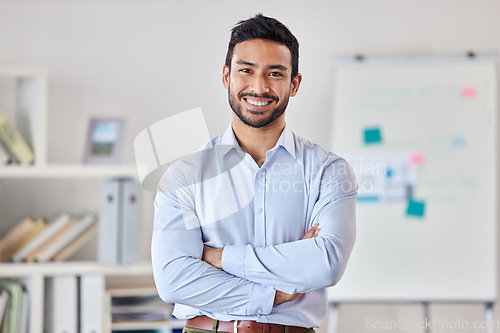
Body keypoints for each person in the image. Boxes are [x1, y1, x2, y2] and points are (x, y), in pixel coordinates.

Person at [152, 14, 357, 333]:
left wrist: (219, 258)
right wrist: (275, 294)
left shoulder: (328, 171)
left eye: (275, 73)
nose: (259, 87)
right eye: (246, 70)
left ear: (294, 84)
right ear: (226, 76)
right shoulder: (185, 175)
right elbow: (174, 280)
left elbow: (326, 263)